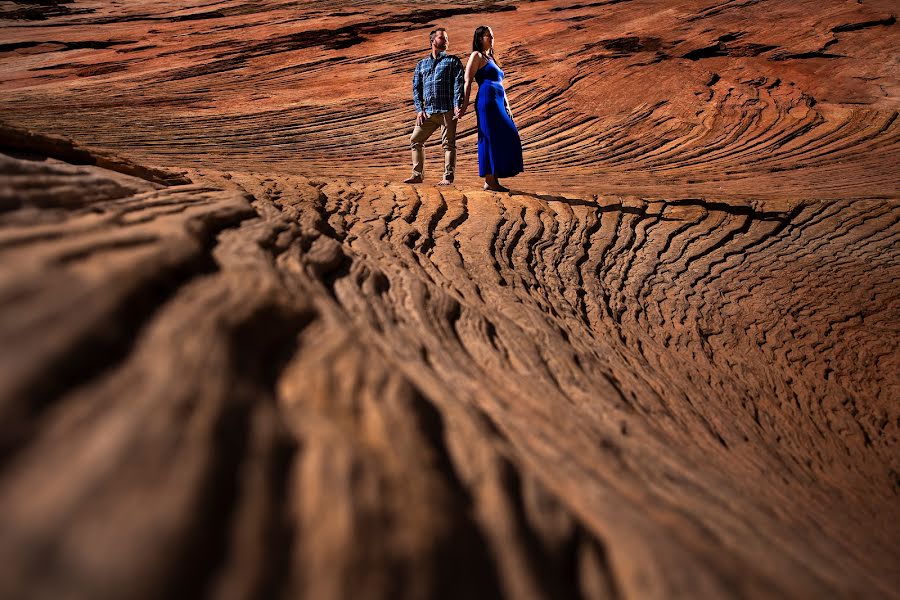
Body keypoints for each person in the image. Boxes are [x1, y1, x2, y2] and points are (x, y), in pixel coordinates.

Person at [458, 26, 523, 192]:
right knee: (489, 138)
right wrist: (464, 105)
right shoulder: (476, 56)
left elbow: (500, 84)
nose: (492, 38)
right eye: (489, 36)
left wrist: (507, 105)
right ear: (480, 38)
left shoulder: (491, 58)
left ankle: (494, 178)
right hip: (486, 102)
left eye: (493, 36)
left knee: (509, 135)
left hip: (498, 102)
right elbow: (467, 81)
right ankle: (490, 180)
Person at [404, 28, 465, 186]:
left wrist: (457, 104)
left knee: (448, 144)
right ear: (433, 41)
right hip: (428, 112)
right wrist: (419, 110)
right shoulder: (421, 65)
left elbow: (459, 84)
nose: (446, 41)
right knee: (415, 140)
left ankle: (448, 177)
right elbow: (416, 88)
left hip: (447, 110)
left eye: (447, 38)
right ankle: (417, 175)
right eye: (442, 38)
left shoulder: (453, 61)